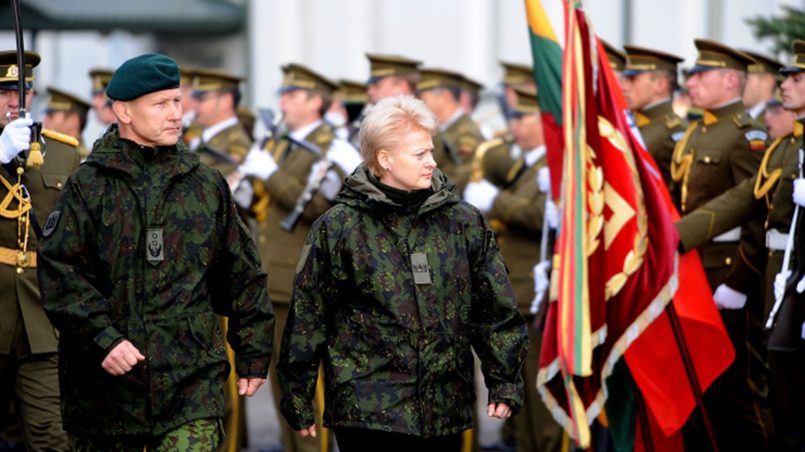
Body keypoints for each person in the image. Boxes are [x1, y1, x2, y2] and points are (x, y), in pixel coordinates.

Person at [36, 53, 274, 450]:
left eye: (177, 101)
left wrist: (253, 348)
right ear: (123, 111)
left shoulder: (204, 183)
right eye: (160, 104)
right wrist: (102, 339)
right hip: (106, 392)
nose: (175, 113)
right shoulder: (88, 185)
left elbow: (241, 272)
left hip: (190, 383)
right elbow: (60, 272)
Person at [277, 95, 528, 451]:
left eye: (431, 151)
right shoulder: (340, 227)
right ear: (384, 159)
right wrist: (298, 398)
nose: (432, 163)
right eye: (419, 154)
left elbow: (495, 308)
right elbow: (309, 317)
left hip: (444, 409)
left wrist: (504, 380)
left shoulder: (462, 222)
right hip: (367, 413)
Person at [237, 62, 360, 452]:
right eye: (283, 94)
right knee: (282, 385)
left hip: (305, 283)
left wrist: (271, 174)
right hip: (273, 279)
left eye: (292, 95)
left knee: (308, 388)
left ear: (315, 102)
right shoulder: (282, 141)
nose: (283, 102)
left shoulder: (329, 147)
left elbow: (323, 207)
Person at [671, 39, 771, 451]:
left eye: (701, 75)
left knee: (739, 392)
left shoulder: (746, 136)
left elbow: (758, 214)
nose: (691, 82)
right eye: (692, 75)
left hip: (725, 278)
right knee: (699, 390)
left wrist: (738, 280)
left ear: (731, 80)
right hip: (691, 273)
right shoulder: (697, 132)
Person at [464, 88, 563, 452]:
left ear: (545, 120)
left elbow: (544, 217)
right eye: (514, 118)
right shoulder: (526, 164)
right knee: (520, 403)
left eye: (524, 117)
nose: (515, 125)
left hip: (539, 298)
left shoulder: (555, 164)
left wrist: (496, 201)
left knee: (543, 400)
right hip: (513, 296)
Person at [0, 49, 80, 452]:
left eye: (23, 91)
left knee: (52, 437)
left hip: (39, 319)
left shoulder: (63, 153)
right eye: (4, 92)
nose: (16, 101)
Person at [621, 44, 687, 204]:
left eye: (632, 79)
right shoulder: (629, 124)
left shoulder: (674, 132)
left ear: (660, 85)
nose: (624, 87)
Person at [416, 68, 485, 189]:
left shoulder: (466, 134)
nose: (420, 104)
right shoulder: (446, 130)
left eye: (424, 99)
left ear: (445, 96)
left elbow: (462, 180)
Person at [42, 86, 91, 159]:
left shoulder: (85, 162)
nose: (44, 121)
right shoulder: (43, 155)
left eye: (51, 116)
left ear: (73, 120)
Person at [741, 50, 782, 128]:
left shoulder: (778, 120)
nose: (739, 84)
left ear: (768, 81)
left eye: (745, 78)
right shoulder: (737, 116)